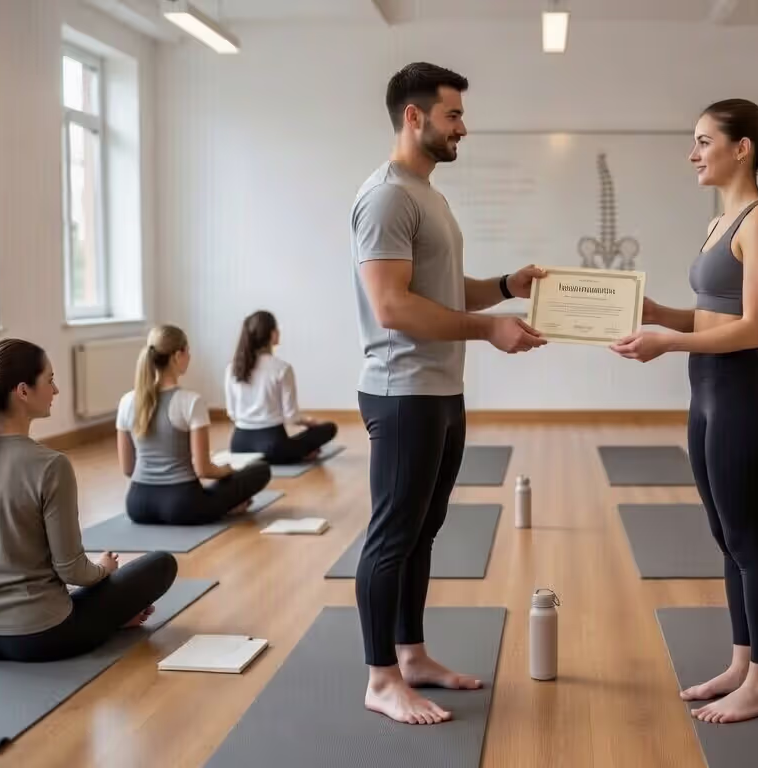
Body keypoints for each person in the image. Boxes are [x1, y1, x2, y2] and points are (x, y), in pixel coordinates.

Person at [351, 62, 547, 725]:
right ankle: (380, 679)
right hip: (401, 390)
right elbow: (393, 308)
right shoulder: (386, 197)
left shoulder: (426, 194)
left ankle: (410, 655)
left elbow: (437, 291)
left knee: (423, 530)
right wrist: (487, 329)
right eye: (453, 114)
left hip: (439, 388)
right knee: (391, 536)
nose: (463, 126)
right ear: (415, 117)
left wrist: (504, 286)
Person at [617, 98, 758, 724]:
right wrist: (654, 313)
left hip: (742, 395)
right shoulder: (721, 222)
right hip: (708, 393)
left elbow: (753, 328)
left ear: (741, 147)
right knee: (726, 537)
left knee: (748, 539)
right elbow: (709, 312)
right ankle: (743, 663)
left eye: (702, 141)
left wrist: (667, 342)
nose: (692, 154)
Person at [0, 339, 177, 662]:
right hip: (40, 635)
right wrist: (104, 570)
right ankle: (113, 620)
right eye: (49, 380)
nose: (56, 390)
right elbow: (72, 571)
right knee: (161, 563)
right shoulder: (51, 465)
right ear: (22, 391)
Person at [118, 325, 272, 526]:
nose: (189, 357)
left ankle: (225, 505)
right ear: (177, 355)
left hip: (138, 505)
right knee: (260, 469)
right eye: (188, 352)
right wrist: (227, 470)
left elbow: (128, 468)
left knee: (215, 492)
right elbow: (203, 470)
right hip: (183, 506)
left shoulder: (127, 401)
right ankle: (229, 506)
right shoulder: (190, 401)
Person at [225, 310, 339, 464]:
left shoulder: (232, 368)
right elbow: (292, 417)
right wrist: (310, 422)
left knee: (293, 442)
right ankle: (299, 453)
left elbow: (232, 413)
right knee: (329, 428)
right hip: (273, 448)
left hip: (239, 445)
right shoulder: (282, 368)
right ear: (272, 334)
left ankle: (296, 452)